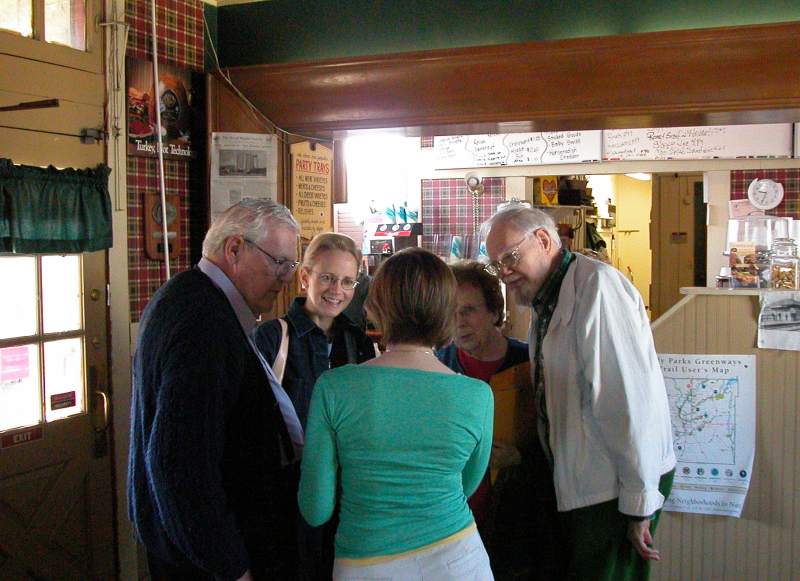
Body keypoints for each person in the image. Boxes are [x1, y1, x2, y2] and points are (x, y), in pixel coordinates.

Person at [483, 204, 676, 581]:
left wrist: (639, 503)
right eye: (496, 264)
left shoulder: (598, 288)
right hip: (585, 480)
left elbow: (630, 402)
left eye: (510, 257)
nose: (504, 272)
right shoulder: (546, 298)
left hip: (616, 483)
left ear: (542, 239)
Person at [128, 199, 304, 581]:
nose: (285, 277)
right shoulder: (202, 323)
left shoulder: (193, 296)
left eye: (291, 265)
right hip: (204, 559)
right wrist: (232, 565)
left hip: (194, 547)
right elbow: (177, 463)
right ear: (235, 249)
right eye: (279, 262)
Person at [298, 247, 495, 581]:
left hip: (366, 562)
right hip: (459, 559)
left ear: (374, 309)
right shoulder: (477, 395)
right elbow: (466, 485)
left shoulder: (335, 388)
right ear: (447, 313)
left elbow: (315, 510)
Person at [255, 232, 376, 580]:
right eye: (327, 277)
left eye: (347, 281)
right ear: (305, 277)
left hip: (347, 491)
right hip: (287, 493)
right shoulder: (273, 338)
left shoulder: (359, 344)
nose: (336, 290)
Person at [437, 261, 564, 581]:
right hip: (457, 519)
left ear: (495, 312)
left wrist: (521, 456)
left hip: (523, 516)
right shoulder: (438, 366)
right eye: (451, 311)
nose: (459, 322)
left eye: (468, 310)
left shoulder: (531, 362)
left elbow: (563, 435)